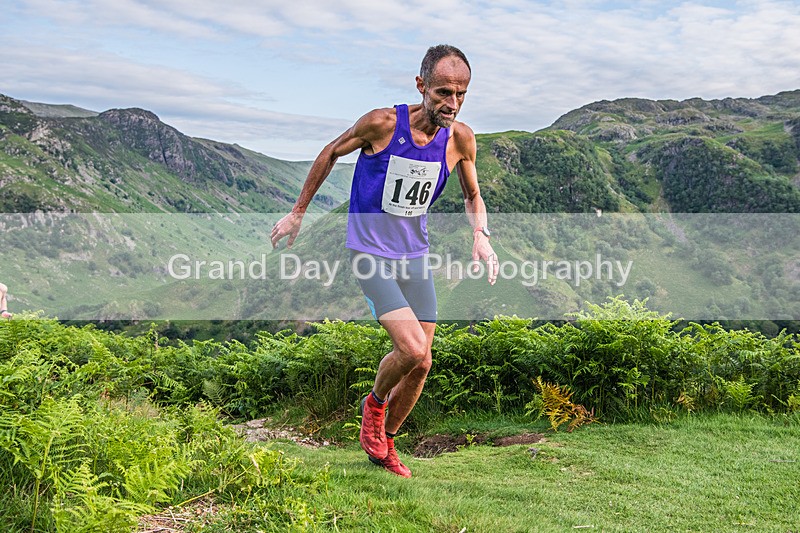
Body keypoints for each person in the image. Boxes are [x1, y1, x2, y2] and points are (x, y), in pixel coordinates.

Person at [270, 44, 498, 478]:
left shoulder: (460, 139)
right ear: (421, 86)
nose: (452, 103)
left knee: (423, 361)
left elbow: (473, 195)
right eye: (443, 92)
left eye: (462, 94)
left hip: (415, 255)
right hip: (370, 252)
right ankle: (373, 407)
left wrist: (480, 236)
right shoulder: (381, 123)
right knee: (410, 348)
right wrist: (298, 212)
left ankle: (385, 445)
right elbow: (330, 151)